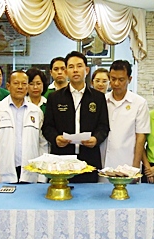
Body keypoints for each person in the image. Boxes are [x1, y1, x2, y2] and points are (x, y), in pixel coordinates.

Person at [43, 51, 109, 183]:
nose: (75, 70)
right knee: (61, 198)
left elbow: (104, 126)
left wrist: (96, 139)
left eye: (79, 66)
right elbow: (47, 127)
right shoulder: (55, 97)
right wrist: (56, 138)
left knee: (89, 199)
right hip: (62, 159)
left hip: (89, 159)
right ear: (66, 70)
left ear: (86, 69)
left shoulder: (98, 97)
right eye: (71, 67)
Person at [0, 70, 48, 183]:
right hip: (3, 173)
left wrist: (42, 176)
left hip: (30, 174)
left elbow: (42, 145)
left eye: (24, 84)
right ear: (8, 86)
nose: (20, 87)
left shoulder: (36, 112)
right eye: (16, 83)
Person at [103, 60, 149, 171]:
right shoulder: (103, 100)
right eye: (113, 79)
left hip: (128, 162)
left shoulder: (139, 103)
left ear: (129, 79)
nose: (116, 83)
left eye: (121, 80)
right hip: (104, 162)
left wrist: (136, 166)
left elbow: (141, 137)